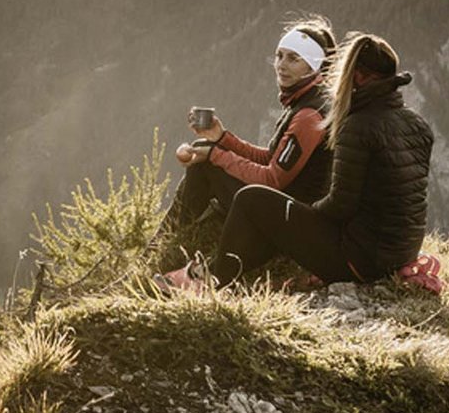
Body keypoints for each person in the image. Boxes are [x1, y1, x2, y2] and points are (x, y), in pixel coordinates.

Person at [184, 31, 435, 291]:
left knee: (252, 198)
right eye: (279, 57)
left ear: (357, 76)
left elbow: (340, 206)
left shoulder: (356, 126)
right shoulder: (418, 124)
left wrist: (300, 220)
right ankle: (216, 271)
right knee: (269, 208)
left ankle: (210, 281)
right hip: (401, 255)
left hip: (361, 261)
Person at [156, 17, 337, 278]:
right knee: (204, 149)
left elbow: (272, 178)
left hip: (287, 216)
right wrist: (221, 138)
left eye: (293, 59)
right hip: (283, 205)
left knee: (205, 162)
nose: (281, 66)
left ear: (313, 66)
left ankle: (165, 242)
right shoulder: (304, 102)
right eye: (279, 56)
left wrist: (215, 154)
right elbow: (269, 158)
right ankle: (173, 237)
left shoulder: (308, 116)